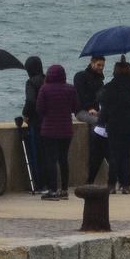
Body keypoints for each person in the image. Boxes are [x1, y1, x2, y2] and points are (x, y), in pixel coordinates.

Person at [34, 63, 78, 201]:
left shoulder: (44, 89)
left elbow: (39, 109)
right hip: (66, 130)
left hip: (49, 130)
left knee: (50, 161)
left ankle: (52, 190)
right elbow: (76, 107)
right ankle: (64, 189)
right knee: (63, 159)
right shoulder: (71, 89)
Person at [99, 60, 130, 195]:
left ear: (114, 72)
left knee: (114, 155)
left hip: (115, 125)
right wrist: (128, 63)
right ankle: (126, 185)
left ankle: (111, 184)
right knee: (126, 155)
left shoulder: (109, 87)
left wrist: (101, 121)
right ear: (129, 71)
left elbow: (104, 108)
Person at [74, 56, 107, 185]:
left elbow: (101, 99)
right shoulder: (80, 77)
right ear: (92, 63)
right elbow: (81, 95)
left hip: (95, 112)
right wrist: (90, 108)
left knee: (100, 124)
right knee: (97, 124)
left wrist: (99, 111)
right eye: (99, 65)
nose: (101, 68)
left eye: (103, 66)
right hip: (81, 111)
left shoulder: (100, 80)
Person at [18, 56, 46, 197]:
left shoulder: (31, 82)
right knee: (49, 155)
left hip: (36, 123)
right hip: (50, 122)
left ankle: (40, 184)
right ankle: (50, 183)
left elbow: (30, 100)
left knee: (37, 155)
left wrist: (25, 114)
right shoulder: (48, 80)